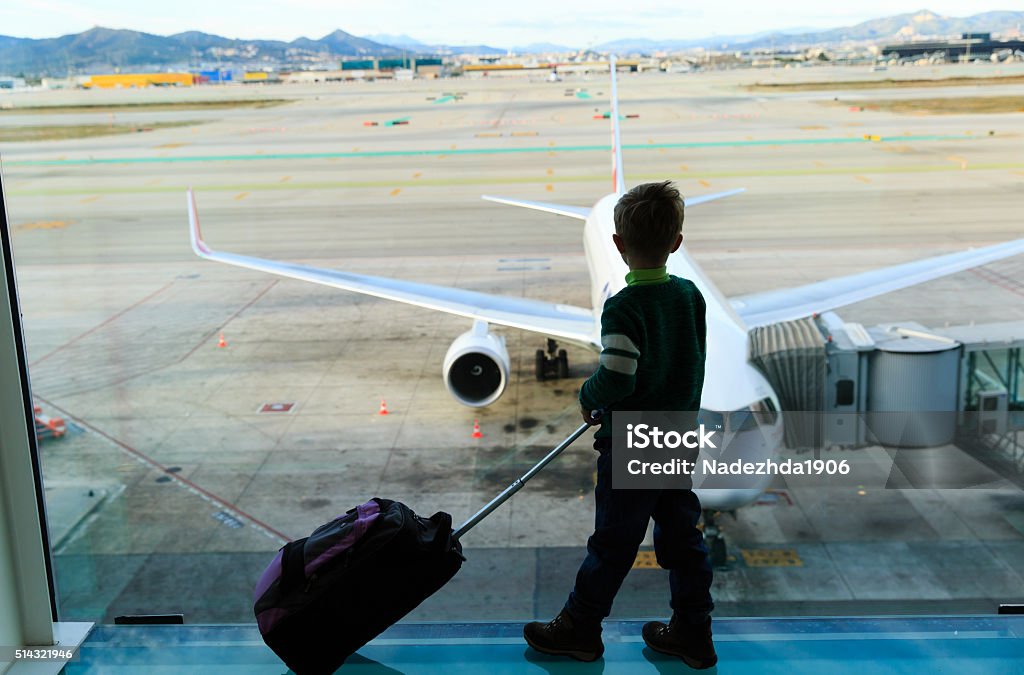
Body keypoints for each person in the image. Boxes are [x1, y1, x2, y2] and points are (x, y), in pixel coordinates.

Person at [523, 181, 716, 668]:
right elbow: (690, 361)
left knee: (612, 544)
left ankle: (580, 629)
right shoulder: (691, 297)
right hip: (675, 434)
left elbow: (618, 378)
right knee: (683, 540)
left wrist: (586, 397)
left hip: (634, 442)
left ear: (618, 245)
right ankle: (694, 632)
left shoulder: (624, 307)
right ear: (677, 242)